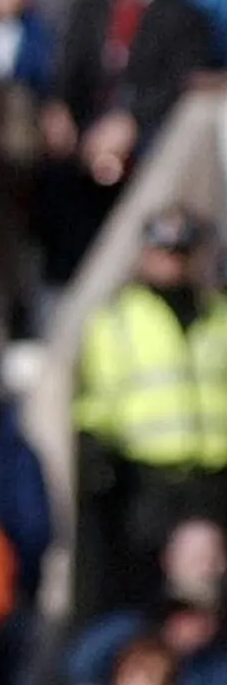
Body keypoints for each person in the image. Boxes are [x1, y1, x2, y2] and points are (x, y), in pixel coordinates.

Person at [73, 207, 227, 628]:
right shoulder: (118, 319)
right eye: (163, 251)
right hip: (147, 480)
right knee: (148, 600)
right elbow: (98, 402)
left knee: (209, 599)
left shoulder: (218, 316)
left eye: (181, 252)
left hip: (213, 479)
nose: (172, 262)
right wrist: (98, 460)